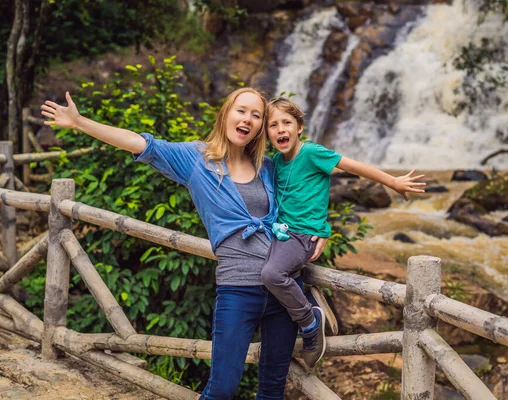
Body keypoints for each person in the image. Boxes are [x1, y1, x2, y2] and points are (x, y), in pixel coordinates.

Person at [41, 88, 327, 400]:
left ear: (261, 127)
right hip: (238, 289)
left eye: (256, 115)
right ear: (225, 114)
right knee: (222, 389)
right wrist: (81, 122)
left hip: (283, 292)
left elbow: (303, 199)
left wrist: (322, 229)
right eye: (241, 110)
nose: (248, 119)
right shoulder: (196, 159)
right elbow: (141, 144)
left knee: (272, 389)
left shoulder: (268, 166)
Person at [261, 97, 426, 368]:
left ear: (300, 126)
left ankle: (310, 321)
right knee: (269, 272)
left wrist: (393, 182)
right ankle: (311, 299)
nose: (281, 129)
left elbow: (353, 166)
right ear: (267, 132)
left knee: (271, 274)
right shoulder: (277, 161)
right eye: (273, 125)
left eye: (287, 123)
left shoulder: (312, 153)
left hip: (303, 236)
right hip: (283, 233)